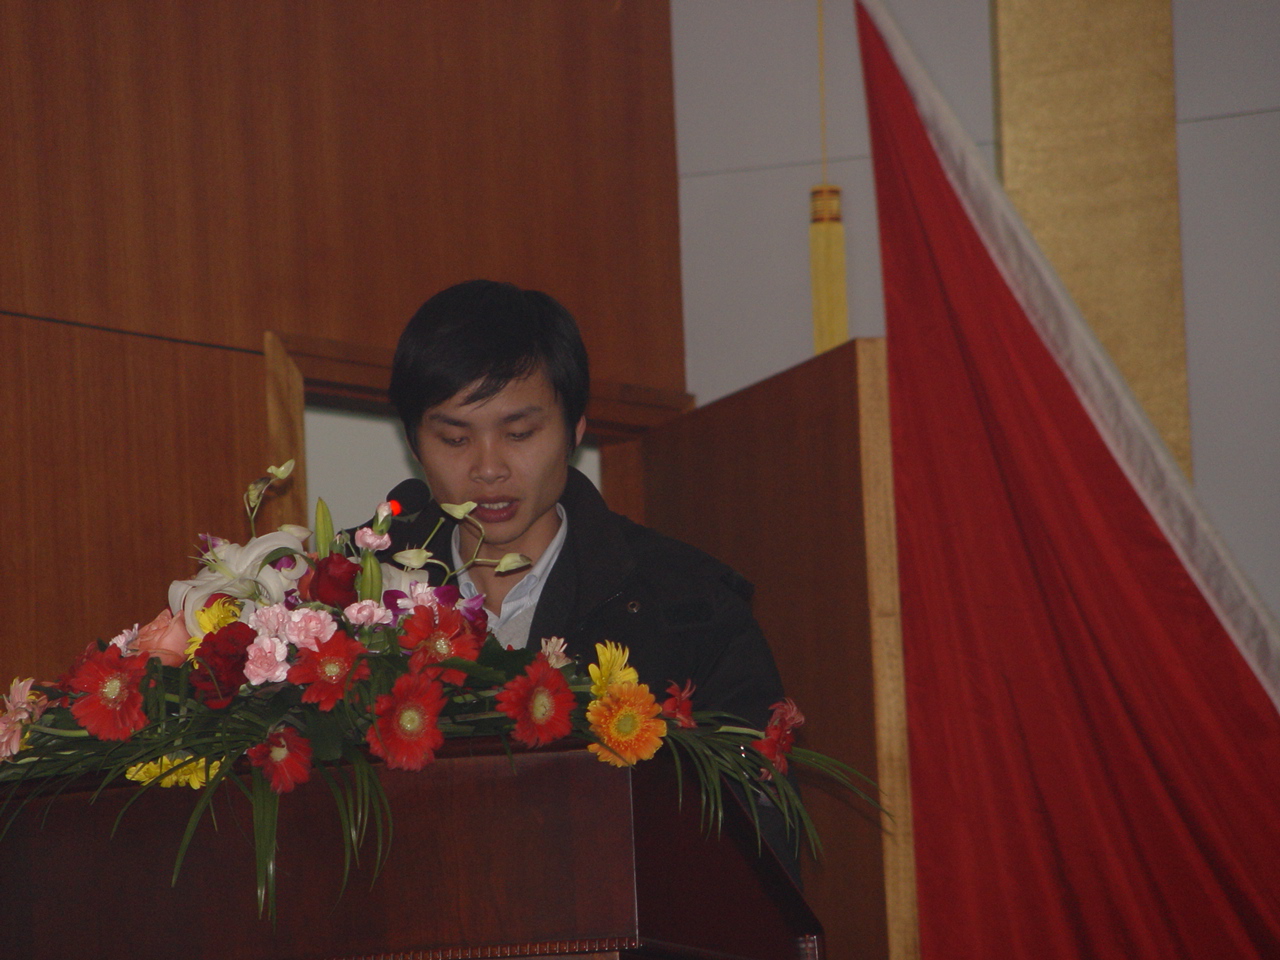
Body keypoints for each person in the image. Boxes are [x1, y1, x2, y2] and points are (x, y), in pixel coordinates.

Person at [384, 279, 785, 732]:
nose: (489, 469)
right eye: (455, 439)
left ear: (574, 429)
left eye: (519, 434)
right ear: (414, 444)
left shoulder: (689, 605)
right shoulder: (355, 595)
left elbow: (751, 773)